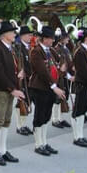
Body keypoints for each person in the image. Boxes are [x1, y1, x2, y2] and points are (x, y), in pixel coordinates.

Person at [0, 21, 25, 166]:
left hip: (10, 89)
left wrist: (19, 74)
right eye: (12, 32)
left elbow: (12, 68)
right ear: (5, 35)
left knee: (6, 120)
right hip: (1, 89)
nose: (15, 34)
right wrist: (13, 89)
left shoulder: (10, 48)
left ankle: (3, 150)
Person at [29, 26, 66, 156]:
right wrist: (54, 86)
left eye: (53, 38)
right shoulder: (36, 51)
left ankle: (44, 142)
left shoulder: (50, 50)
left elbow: (59, 61)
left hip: (49, 88)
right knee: (39, 116)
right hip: (39, 88)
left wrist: (61, 67)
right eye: (50, 38)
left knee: (46, 116)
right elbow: (42, 72)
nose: (52, 41)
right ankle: (38, 144)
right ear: (44, 39)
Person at [71, 28, 87, 147]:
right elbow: (84, 71)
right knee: (78, 111)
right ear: (86, 37)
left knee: (83, 111)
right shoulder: (80, 51)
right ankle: (76, 137)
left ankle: (81, 135)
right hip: (82, 84)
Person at [14, 26, 34, 136]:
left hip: (29, 78)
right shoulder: (18, 47)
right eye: (28, 35)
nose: (30, 37)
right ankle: (19, 125)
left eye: (31, 35)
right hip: (22, 78)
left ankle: (23, 124)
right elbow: (19, 63)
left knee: (27, 101)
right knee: (21, 102)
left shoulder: (28, 47)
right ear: (22, 36)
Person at [51, 30, 73, 129]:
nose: (68, 39)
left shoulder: (66, 48)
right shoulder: (57, 49)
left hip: (66, 76)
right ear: (62, 38)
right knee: (57, 99)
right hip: (60, 77)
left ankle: (60, 118)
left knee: (64, 97)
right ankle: (55, 119)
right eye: (67, 37)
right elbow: (58, 65)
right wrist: (66, 74)